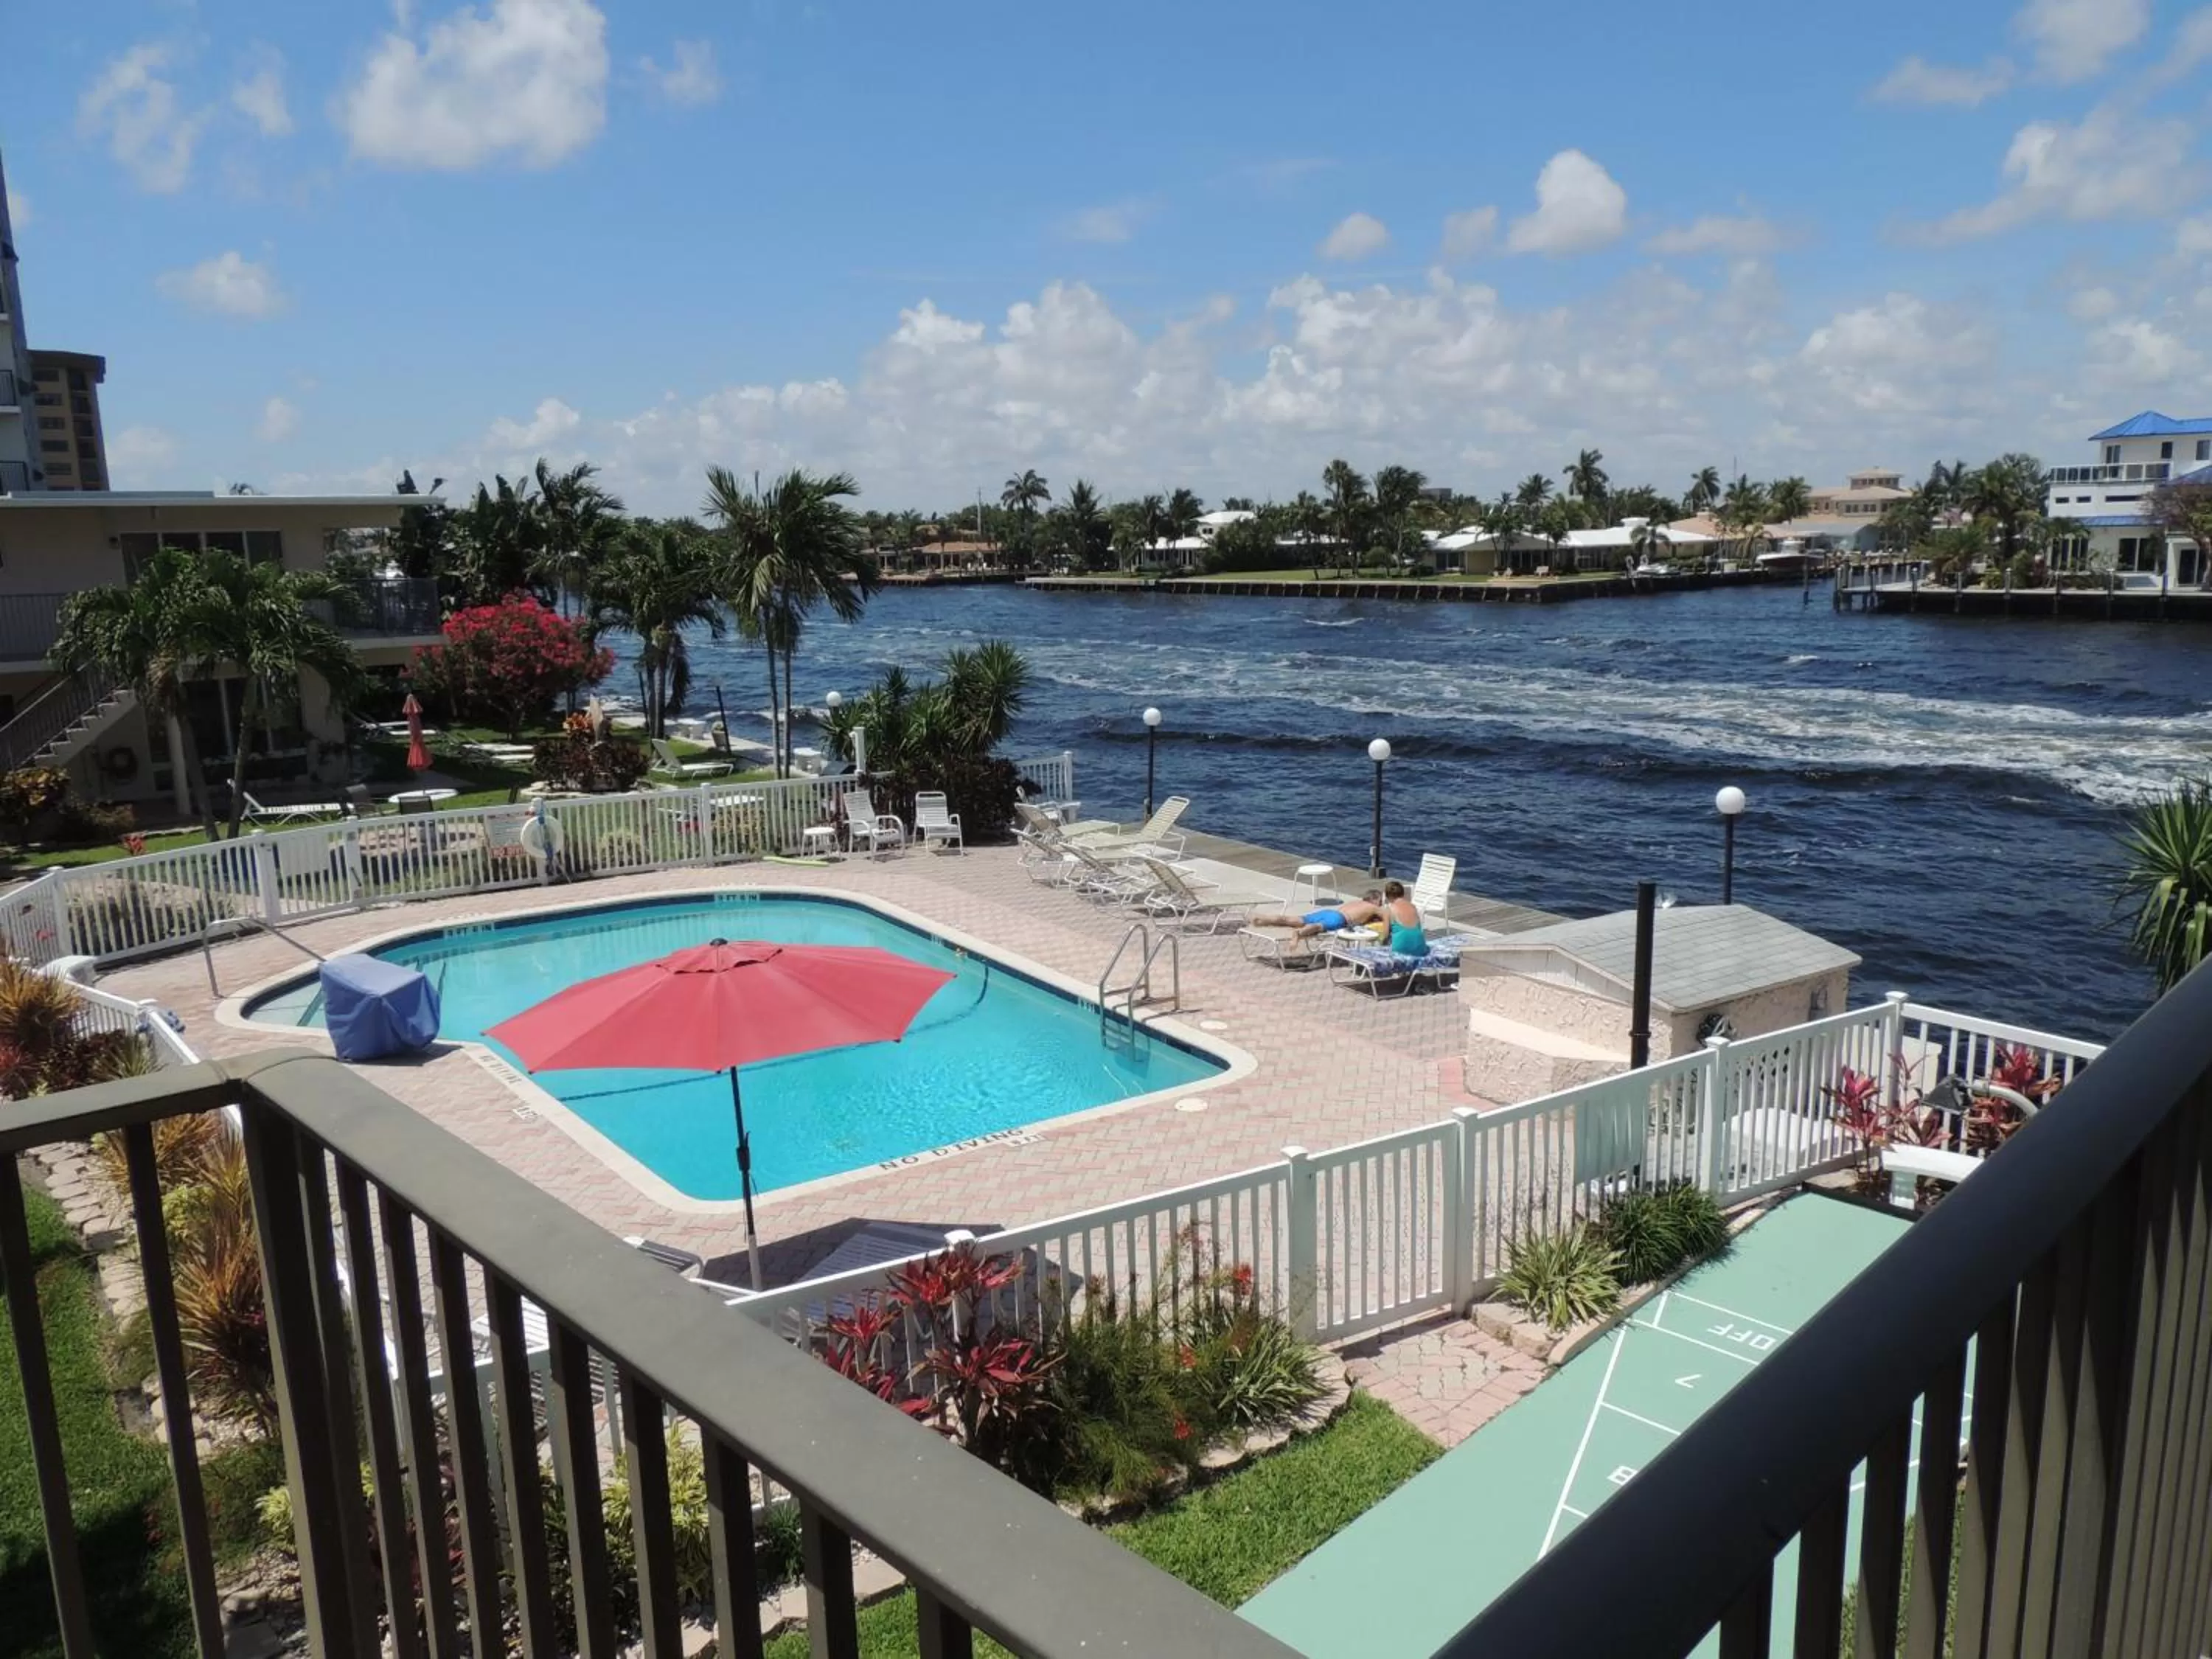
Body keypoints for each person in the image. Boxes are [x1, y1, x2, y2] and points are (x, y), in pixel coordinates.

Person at [1249, 889, 1386, 939]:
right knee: (1318, 927)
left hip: (1330, 912)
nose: (1381, 904)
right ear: (1374, 900)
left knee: (1292, 919)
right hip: (1340, 919)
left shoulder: (1356, 902)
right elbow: (1388, 917)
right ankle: (1300, 933)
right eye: (1380, 901)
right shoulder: (1373, 908)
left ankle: (1262, 919)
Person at [1380, 880, 1427, 954]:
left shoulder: (1389, 909)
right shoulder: (1413, 907)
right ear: (1403, 894)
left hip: (1401, 949)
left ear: (1388, 896)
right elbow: (1419, 929)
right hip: (1420, 947)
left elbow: (1385, 935)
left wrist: (1381, 945)